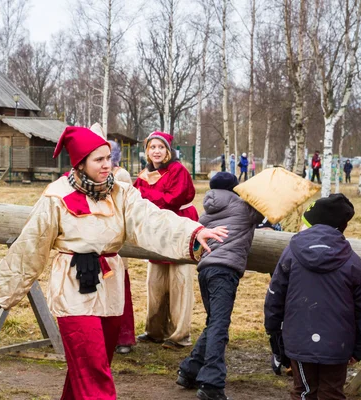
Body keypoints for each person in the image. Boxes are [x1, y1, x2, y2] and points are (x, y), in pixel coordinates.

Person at [0, 126, 228, 400]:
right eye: (98, 160)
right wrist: (0, 294)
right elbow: (30, 247)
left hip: (111, 288)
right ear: (81, 163)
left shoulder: (122, 193)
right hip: (73, 290)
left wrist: (194, 232)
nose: (107, 165)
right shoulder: (56, 196)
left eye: (108, 158)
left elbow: (152, 219)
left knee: (91, 369)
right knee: (93, 373)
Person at [177, 172, 264, 400]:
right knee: (219, 325)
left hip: (205, 271)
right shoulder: (244, 208)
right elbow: (266, 213)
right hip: (225, 272)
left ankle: (190, 370)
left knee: (213, 321)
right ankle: (211, 384)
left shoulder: (207, 213)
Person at [264, 194, 360, 400]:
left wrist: (275, 337)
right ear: (342, 227)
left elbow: (274, 297)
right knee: (332, 392)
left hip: (299, 339)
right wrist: (358, 348)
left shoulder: (291, 253)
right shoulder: (353, 262)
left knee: (304, 391)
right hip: (338, 345)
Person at [134, 131, 199, 350]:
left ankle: (179, 335)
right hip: (157, 231)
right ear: (147, 151)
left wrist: (147, 200)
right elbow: (136, 199)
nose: (156, 151)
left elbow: (172, 199)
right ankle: (155, 331)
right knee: (155, 282)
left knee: (179, 281)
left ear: (168, 151)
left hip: (179, 227)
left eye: (160, 147)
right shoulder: (144, 174)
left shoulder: (178, 171)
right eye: (152, 147)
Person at [108, 140, 137, 355]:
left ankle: (124, 337)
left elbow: (123, 207)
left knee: (119, 291)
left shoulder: (121, 175)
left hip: (115, 241)